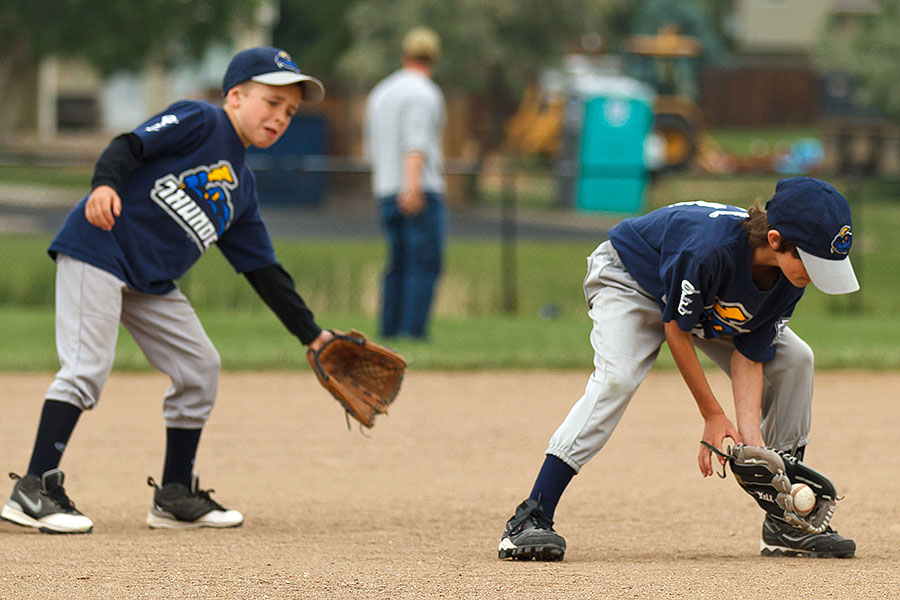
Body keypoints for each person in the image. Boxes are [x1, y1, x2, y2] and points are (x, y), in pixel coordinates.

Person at [1, 47, 333, 534]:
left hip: (149, 282)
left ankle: (175, 494)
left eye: (290, 111)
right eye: (271, 102)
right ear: (236, 96)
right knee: (86, 368)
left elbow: (263, 270)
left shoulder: (240, 188)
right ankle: (33, 489)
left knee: (200, 367)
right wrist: (104, 185)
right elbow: (128, 146)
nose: (279, 117)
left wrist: (312, 335)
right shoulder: (200, 120)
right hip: (98, 248)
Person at [497, 177, 859, 560]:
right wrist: (713, 414)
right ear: (775, 240)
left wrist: (753, 449)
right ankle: (531, 516)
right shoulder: (710, 250)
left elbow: (751, 353)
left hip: (706, 302)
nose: (818, 275)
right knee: (617, 379)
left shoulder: (790, 276)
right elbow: (676, 329)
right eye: (813, 260)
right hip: (632, 280)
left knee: (796, 360)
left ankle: (785, 520)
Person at [364, 27, 447, 340]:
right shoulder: (424, 93)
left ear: (405, 55)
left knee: (396, 265)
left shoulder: (381, 92)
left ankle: (388, 330)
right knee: (423, 264)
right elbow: (416, 143)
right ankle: (414, 332)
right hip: (416, 189)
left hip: (385, 188)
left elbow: (371, 146)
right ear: (434, 58)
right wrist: (412, 186)